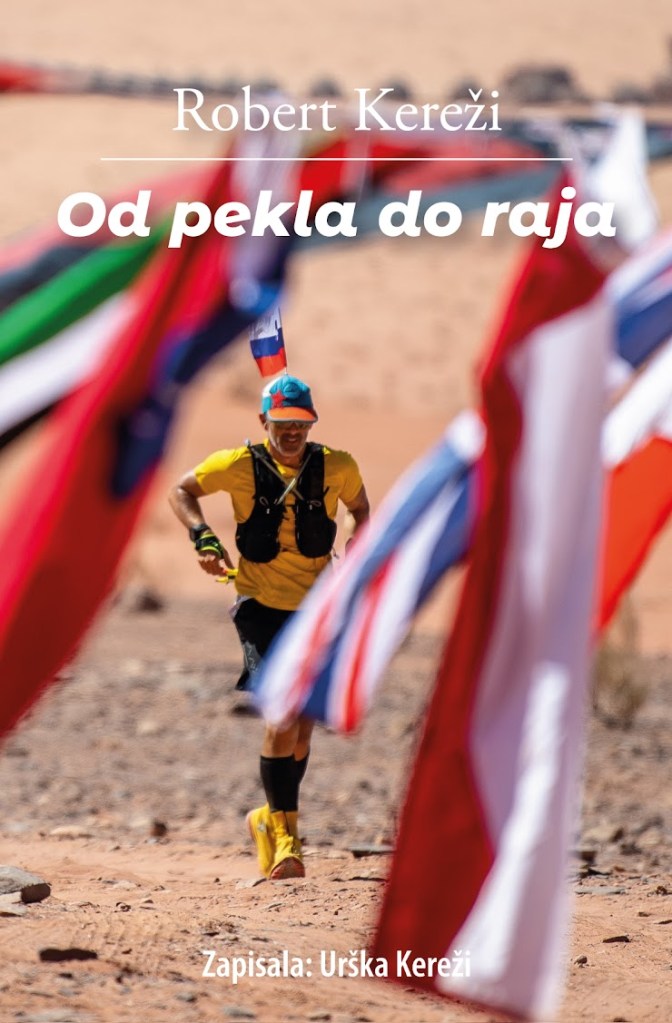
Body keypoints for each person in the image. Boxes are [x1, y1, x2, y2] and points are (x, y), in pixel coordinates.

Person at [168, 375, 370, 880]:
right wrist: (203, 537)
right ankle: (286, 838)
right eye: (282, 423)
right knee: (282, 715)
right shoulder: (237, 465)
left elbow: (360, 509)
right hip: (260, 606)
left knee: (301, 726)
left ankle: (267, 818)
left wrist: (356, 547)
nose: (292, 432)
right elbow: (182, 490)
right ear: (264, 422)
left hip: (317, 609)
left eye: (301, 423)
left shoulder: (338, 466)